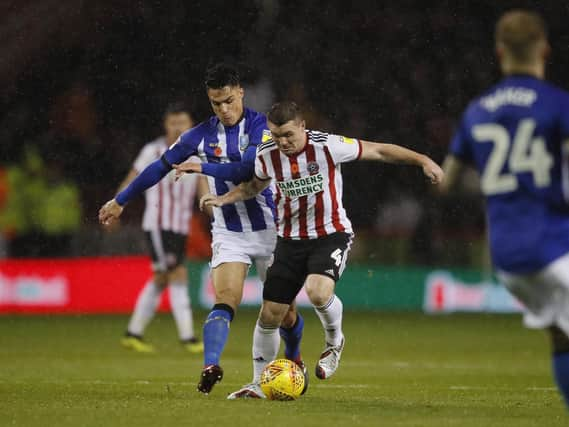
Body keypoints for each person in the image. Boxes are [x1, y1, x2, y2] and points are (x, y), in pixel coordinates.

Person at [199, 101, 443, 396]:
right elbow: (254, 186)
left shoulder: (328, 145)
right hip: (289, 240)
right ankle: (258, 383)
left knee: (317, 291)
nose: (283, 142)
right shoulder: (267, 155)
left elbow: (379, 150)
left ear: (302, 126)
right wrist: (225, 199)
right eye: (276, 136)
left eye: (288, 134)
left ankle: (334, 341)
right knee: (270, 314)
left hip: (330, 234)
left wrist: (422, 160)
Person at [99, 64, 305, 396]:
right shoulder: (199, 135)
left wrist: (201, 166)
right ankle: (211, 364)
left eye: (227, 100)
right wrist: (120, 200)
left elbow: (247, 169)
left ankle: (294, 359)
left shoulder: (260, 126)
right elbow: (158, 167)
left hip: (271, 230)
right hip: (229, 232)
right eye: (215, 103)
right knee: (225, 299)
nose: (223, 109)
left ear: (240, 91)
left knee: (284, 314)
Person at [439, 10, 569, 409]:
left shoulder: (478, 110)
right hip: (554, 242)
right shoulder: (556, 104)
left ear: (499, 52)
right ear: (544, 49)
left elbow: (446, 182)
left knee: (562, 335)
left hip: (509, 255)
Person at [115, 102, 204, 354]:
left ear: (190, 125)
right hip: (157, 224)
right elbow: (133, 177)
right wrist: (116, 204)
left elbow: (203, 186)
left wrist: (214, 208)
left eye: (182, 122)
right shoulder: (152, 150)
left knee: (161, 277)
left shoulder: (197, 153)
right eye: (173, 122)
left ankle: (133, 333)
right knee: (176, 274)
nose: (177, 127)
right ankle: (188, 337)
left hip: (180, 226)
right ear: (166, 124)